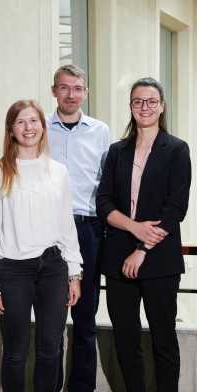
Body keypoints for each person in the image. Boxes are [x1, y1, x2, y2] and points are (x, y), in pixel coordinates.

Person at [0, 99, 84, 392]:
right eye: (21, 122)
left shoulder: (58, 171)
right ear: (12, 130)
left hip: (52, 268)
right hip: (12, 272)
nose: (29, 127)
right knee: (15, 352)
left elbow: (66, 226)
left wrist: (74, 273)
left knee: (50, 349)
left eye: (34, 121)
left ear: (42, 126)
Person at [96, 77, 191, 392]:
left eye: (151, 101)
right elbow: (104, 202)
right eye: (138, 101)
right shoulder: (117, 150)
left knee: (163, 339)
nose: (145, 107)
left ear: (162, 106)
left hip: (159, 259)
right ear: (131, 107)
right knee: (125, 339)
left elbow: (175, 208)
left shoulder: (177, 149)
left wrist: (142, 247)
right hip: (118, 258)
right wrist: (133, 226)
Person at [47, 64, 110, 392]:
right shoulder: (39, 128)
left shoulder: (101, 131)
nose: (70, 94)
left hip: (88, 231)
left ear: (85, 92)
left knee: (85, 319)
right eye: (64, 87)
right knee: (52, 322)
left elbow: (108, 185)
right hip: (48, 232)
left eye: (77, 88)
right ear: (53, 91)